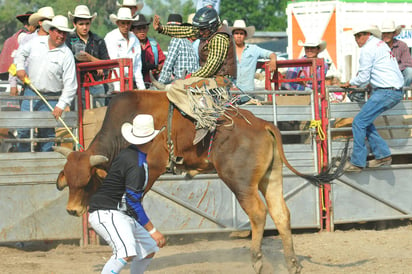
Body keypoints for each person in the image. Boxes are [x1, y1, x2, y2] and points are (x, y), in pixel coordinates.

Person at [88, 114, 165, 274]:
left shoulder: (131, 154)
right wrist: (152, 230)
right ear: (152, 139)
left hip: (119, 212)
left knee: (148, 249)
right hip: (107, 212)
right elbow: (133, 201)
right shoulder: (135, 163)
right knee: (125, 252)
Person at [340, 24, 404, 172]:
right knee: (365, 121)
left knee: (359, 122)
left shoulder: (368, 49)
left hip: (385, 91)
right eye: (356, 36)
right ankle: (382, 155)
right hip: (393, 90)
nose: (357, 39)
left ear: (367, 34)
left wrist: (351, 83)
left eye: (359, 35)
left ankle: (357, 162)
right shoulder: (380, 45)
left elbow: (363, 77)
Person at [14, 15, 77, 152]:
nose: (61, 35)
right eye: (58, 32)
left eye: (64, 33)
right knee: (23, 128)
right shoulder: (36, 42)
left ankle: (45, 159)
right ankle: (22, 157)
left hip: (52, 97)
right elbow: (20, 53)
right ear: (51, 30)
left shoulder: (67, 54)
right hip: (31, 91)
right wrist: (19, 67)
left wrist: (61, 105)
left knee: (47, 133)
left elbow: (71, 84)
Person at [153, 5, 236, 80]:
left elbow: (211, 67)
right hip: (211, 78)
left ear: (212, 26)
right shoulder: (207, 30)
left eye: (202, 29)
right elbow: (183, 30)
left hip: (223, 81)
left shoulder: (220, 38)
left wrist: (190, 77)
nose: (199, 32)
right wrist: (161, 28)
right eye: (199, 28)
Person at [66, 5, 110, 108]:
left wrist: (90, 58)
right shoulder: (68, 40)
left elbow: (107, 64)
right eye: (81, 24)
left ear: (90, 23)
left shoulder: (98, 40)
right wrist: (96, 64)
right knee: (78, 116)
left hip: (97, 83)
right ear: (74, 24)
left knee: (98, 116)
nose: (84, 27)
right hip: (76, 84)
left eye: (87, 24)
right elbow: (67, 62)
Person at [229, 19, 277, 93]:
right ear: (233, 35)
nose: (239, 36)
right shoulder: (228, 50)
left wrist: (273, 61)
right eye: (236, 33)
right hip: (231, 91)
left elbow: (271, 54)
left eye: (241, 34)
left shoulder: (253, 49)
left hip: (247, 92)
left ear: (245, 36)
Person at [105, 8, 145, 91]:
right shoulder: (111, 37)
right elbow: (114, 64)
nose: (126, 26)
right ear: (117, 23)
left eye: (128, 23)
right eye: (123, 23)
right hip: (114, 81)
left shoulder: (135, 39)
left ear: (131, 23)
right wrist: (118, 88)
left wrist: (142, 89)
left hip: (130, 81)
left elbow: (137, 66)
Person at [0, 11, 35, 96]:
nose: (26, 25)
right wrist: (13, 84)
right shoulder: (24, 38)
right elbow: (16, 61)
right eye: (25, 23)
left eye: (28, 23)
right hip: (28, 85)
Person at [158, 13, 199, 84]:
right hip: (192, 82)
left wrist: (160, 83)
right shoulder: (188, 43)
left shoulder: (176, 39)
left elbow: (168, 65)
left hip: (181, 83)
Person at [131, 14, 165, 88]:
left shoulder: (154, 44)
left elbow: (163, 61)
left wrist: (159, 68)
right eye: (139, 29)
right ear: (133, 30)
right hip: (134, 83)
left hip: (152, 83)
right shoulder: (131, 45)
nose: (142, 31)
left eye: (144, 28)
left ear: (147, 29)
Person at [380, 19, 412, 87]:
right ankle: (358, 96)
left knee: (410, 72)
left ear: (393, 34)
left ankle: (400, 92)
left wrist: (393, 69)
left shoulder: (402, 45)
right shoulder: (376, 46)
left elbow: (408, 63)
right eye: (384, 33)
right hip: (381, 73)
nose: (386, 35)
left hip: (398, 73)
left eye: (388, 33)